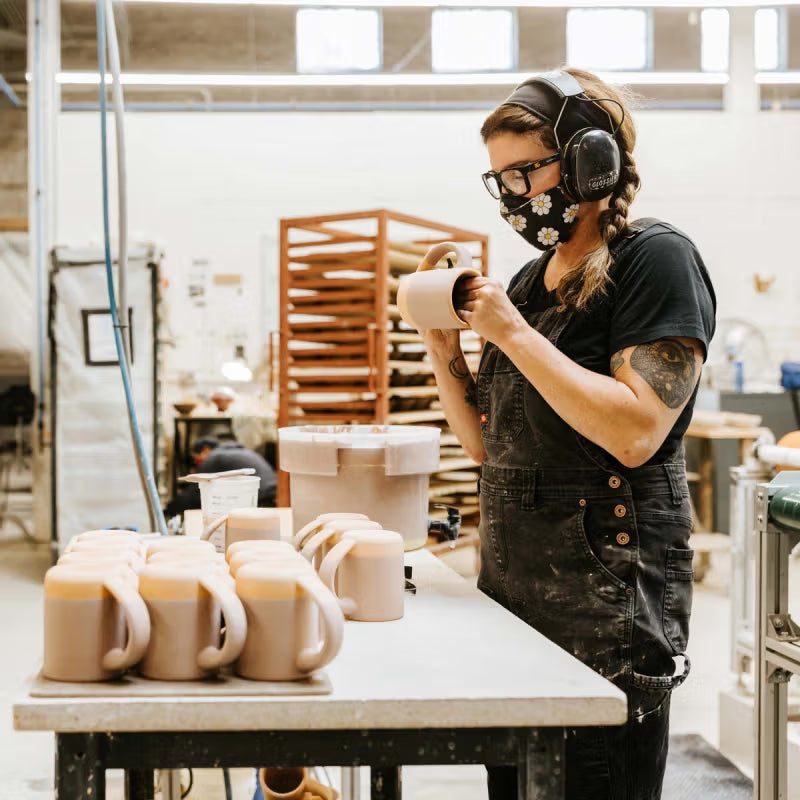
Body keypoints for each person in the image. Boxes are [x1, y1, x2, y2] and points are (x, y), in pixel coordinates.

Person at [423, 68, 715, 799]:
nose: (516, 196)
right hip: (516, 598)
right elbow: (489, 450)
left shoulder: (655, 259)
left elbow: (638, 431)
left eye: (527, 171)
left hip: (607, 610)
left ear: (591, 160)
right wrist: (440, 345)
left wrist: (512, 335)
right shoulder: (525, 283)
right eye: (501, 181)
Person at [165, 436, 277, 517]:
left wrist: (168, 509)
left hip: (262, 499)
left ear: (206, 449)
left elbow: (194, 494)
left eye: (197, 458)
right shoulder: (237, 452)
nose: (198, 462)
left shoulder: (215, 457)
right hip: (273, 494)